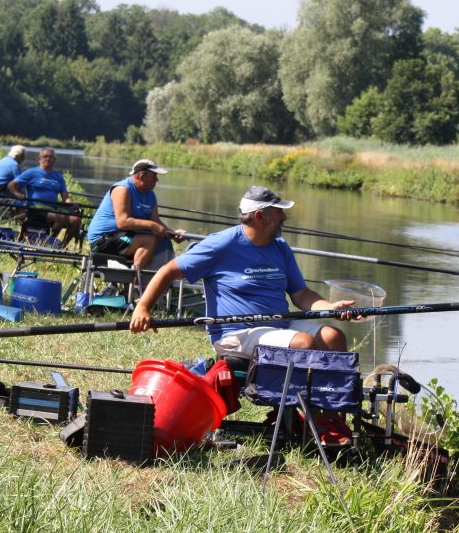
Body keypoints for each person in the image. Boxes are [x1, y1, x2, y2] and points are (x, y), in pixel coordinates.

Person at [130, 185, 362, 445]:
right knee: (303, 344)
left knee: (333, 336)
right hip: (235, 333)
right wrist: (143, 307)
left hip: (278, 328)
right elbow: (168, 271)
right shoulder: (223, 244)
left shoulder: (281, 248)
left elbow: (301, 295)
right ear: (261, 217)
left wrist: (331, 308)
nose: (284, 219)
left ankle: (331, 419)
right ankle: (309, 418)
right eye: (279, 213)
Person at [86, 159, 186, 271]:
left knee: (163, 240)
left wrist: (173, 234)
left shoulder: (151, 195)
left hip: (126, 237)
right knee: (149, 240)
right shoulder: (122, 189)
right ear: (142, 176)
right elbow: (123, 222)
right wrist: (152, 226)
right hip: (103, 239)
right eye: (154, 176)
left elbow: (156, 221)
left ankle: (157, 278)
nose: (157, 180)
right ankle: (136, 282)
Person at [8, 147, 82, 248]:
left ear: (54, 160)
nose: (48, 159)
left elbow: (66, 197)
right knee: (59, 216)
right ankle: (51, 241)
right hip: (35, 209)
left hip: (53, 210)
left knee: (76, 219)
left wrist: (71, 204)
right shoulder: (31, 173)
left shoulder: (58, 177)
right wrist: (18, 194)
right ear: (40, 159)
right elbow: (11, 185)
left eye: (51, 157)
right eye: (45, 156)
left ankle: (62, 246)